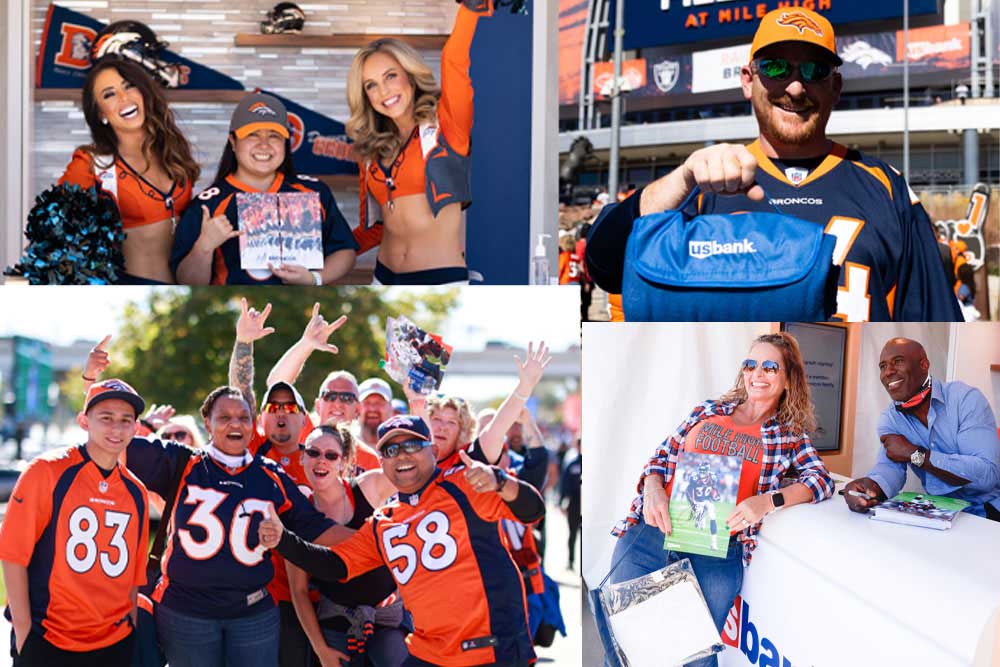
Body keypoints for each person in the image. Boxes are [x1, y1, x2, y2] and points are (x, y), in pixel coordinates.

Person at [585, 7, 961, 322]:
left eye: (814, 70)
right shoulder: (705, 183)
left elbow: (935, 326)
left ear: (836, 87)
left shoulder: (885, 187)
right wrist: (682, 179)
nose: (795, 88)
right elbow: (604, 265)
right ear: (748, 81)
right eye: (777, 68)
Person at [602, 333, 834, 667]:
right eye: (750, 365)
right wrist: (653, 490)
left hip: (715, 553)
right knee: (626, 650)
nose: (757, 373)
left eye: (770, 367)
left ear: (788, 379)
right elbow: (660, 459)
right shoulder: (708, 410)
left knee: (692, 659)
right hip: (650, 538)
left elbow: (820, 480)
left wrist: (767, 501)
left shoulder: (789, 435)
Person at [258, 415, 546, 666]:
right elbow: (335, 565)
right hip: (430, 653)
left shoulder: (463, 484)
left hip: (489, 649)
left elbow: (533, 510)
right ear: (381, 462)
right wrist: (282, 540)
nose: (402, 455)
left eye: (412, 445)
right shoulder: (384, 522)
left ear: (433, 450)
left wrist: (501, 481)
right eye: (391, 450)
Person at [0, 379, 150, 666]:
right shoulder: (46, 471)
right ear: (84, 421)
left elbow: (134, 575)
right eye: (106, 418)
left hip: (113, 642)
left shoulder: (136, 491)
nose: (116, 428)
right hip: (47, 638)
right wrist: (24, 631)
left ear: (136, 427)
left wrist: (129, 627)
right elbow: (12, 554)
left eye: (125, 420)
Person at [347, 0, 494, 285]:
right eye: (371, 85)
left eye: (391, 76)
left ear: (411, 77)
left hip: (440, 281)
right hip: (382, 278)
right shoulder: (371, 149)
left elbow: (454, 60)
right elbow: (376, 228)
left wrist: (470, 10)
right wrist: (314, 253)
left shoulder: (447, 126)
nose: (383, 91)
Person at [171, 93, 358, 285]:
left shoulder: (313, 192)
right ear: (233, 142)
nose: (264, 145)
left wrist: (314, 279)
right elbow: (186, 281)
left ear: (286, 142)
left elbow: (344, 250)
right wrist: (204, 246)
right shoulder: (207, 205)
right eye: (252, 134)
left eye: (274, 136)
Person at [59, 58, 199, 284]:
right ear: (101, 114)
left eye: (129, 86)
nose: (124, 98)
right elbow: (52, 234)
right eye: (109, 94)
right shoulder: (90, 165)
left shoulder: (172, 150)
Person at [285, 425, 407, 667]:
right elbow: (298, 591)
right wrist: (321, 650)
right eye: (313, 452)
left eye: (331, 455)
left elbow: (418, 476)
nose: (321, 460)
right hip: (337, 620)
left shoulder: (369, 486)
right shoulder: (298, 516)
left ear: (343, 462)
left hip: (387, 616)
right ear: (302, 458)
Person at [842, 337, 1000, 521]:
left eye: (898, 361)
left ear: (924, 365)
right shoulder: (891, 418)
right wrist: (870, 487)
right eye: (883, 366)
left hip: (988, 510)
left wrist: (915, 455)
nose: (888, 372)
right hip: (941, 513)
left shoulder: (965, 399)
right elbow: (889, 467)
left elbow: (987, 475)